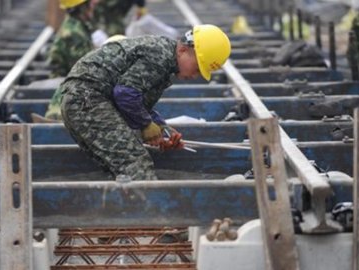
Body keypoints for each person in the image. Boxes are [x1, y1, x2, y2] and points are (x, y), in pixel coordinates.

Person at [59, 24, 231, 180]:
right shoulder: (160, 57)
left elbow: (136, 101)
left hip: (81, 101)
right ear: (183, 50)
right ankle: (145, 211)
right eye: (197, 68)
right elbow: (124, 94)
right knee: (136, 165)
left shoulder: (166, 58)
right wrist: (147, 125)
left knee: (116, 167)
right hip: (87, 100)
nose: (194, 76)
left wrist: (163, 130)